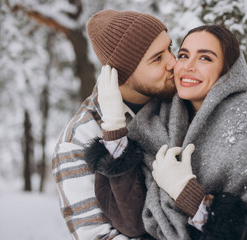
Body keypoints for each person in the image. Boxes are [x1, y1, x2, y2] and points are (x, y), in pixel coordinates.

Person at [84, 25, 247, 239]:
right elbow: (131, 223)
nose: (187, 66)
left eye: (205, 58)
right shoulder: (152, 124)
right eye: (184, 55)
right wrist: (114, 126)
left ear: (228, 71)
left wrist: (193, 199)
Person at [52, 9, 176, 240]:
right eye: (157, 58)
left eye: (170, 48)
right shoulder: (77, 140)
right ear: (123, 76)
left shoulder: (181, 98)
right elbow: (97, 236)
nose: (173, 62)